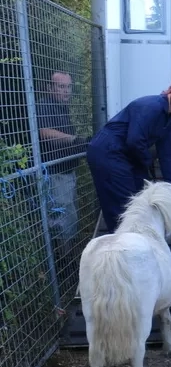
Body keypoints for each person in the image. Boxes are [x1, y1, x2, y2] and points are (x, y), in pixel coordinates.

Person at [86, 70, 171, 233]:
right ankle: (124, 247)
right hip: (108, 152)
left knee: (141, 196)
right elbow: (135, 141)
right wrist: (149, 168)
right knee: (125, 209)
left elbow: (167, 156)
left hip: (127, 155)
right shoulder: (152, 106)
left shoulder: (169, 121)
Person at [36, 71, 89, 251]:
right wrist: (73, 139)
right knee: (62, 218)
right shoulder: (45, 105)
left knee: (70, 215)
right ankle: (63, 260)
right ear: (50, 88)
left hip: (67, 171)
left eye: (68, 87)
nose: (66, 91)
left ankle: (68, 254)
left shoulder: (61, 107)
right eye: (61, 87)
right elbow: (44, 133)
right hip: (55, 173)